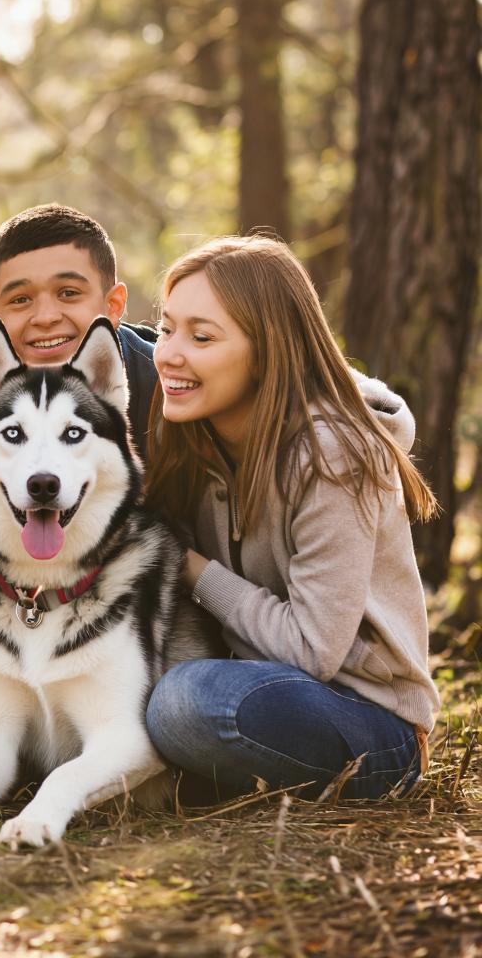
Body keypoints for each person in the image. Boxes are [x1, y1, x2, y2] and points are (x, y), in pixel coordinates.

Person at [143, 235, 440, 800]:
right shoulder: (192, 436)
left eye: (201, 336)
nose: (169, 354)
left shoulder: (332, 457)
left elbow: (313, 650)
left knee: (187, 701)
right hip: (262, 682)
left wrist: (191, 570)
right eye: (166, 328)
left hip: (369, 720)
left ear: (268, 349)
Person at [0, 203, 159, 453]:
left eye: (68, 293)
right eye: (20, 299)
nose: (45, 318)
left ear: (113, 305)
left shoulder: (161, 386)